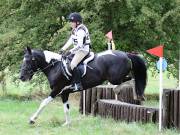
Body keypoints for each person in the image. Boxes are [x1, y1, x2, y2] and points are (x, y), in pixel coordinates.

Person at [60, 12, 91, 91]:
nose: (70, 23)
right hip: (77, 50)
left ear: (77, 22)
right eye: (70, 21)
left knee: (73, 64)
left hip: (83, 51)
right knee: (65, 61)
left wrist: (70, 51)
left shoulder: (81, 30)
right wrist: (63, 49)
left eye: (72, 22)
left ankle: (78, 84)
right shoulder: (75, 30)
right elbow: (71, 40)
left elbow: (80, 45)